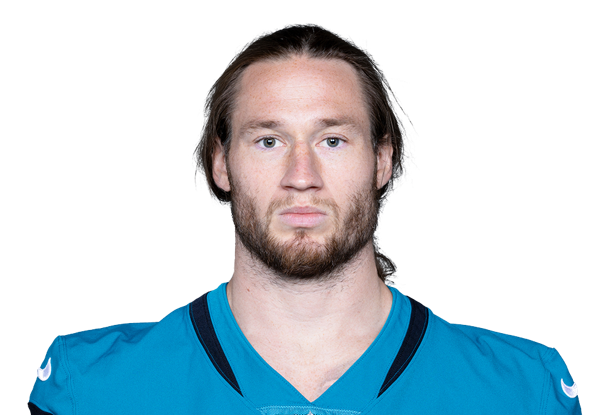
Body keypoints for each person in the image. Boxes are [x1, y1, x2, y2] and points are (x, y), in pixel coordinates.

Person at [28, 23, 582, 414]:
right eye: (268, 141)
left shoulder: (522, 391)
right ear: (221, 163)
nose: (301, 175)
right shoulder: (89, 389)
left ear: (381, 160)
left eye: (332, 140)